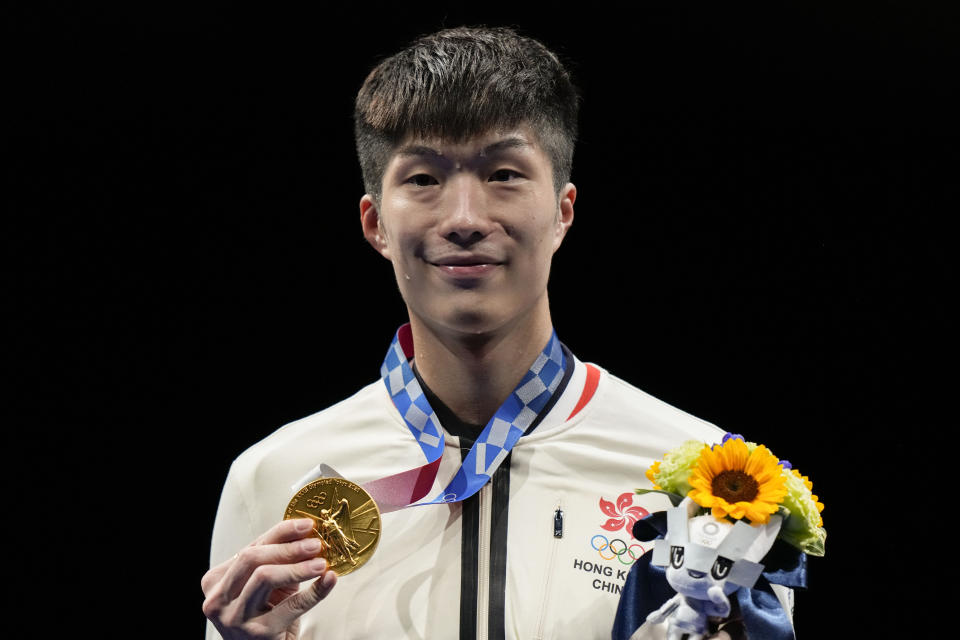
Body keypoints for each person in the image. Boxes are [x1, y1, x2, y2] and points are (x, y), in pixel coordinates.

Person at [202, 26, 777, 639]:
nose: (465, 219)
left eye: (503, 173)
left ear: (562, 211)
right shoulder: (271, 477)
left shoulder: (709, 483)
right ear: (375, 224)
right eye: (422, 179)